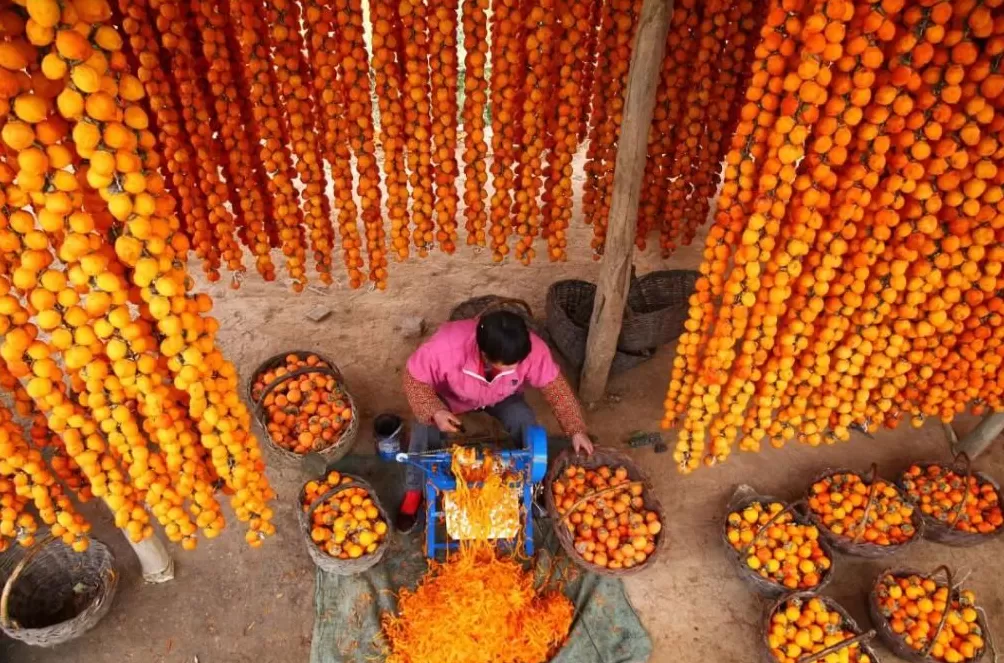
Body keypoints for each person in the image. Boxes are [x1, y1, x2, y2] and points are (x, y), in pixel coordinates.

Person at [397, 309, 593, 531]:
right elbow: (414, 380)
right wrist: (436, 410)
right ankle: (413, 491)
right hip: (452, 396)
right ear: (483, 354)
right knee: (423, 427)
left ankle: (533, 487)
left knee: (524, 419)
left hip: (502, 396)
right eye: (505, 366)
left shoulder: (532, 348)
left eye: (517, 364)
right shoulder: (447, 345)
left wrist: (576, 428)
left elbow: (556, 388)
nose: (514, 369)